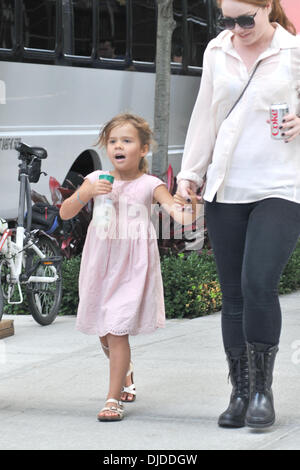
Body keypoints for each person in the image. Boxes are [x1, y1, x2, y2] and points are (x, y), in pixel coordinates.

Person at [176, 0, 300, 429]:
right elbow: (204, 116)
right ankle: (241, 391)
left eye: (245, 19)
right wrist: (190, 173)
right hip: (225, 188)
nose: (236, 28)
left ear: (268, 8)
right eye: (226, 20)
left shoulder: (293, 52)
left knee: (258, 283)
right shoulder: (216, 51)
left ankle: (264, 391)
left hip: (280, 186)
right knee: (233, 294)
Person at [59, 113, 199, 422]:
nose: (118, 146)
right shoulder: (95, 179)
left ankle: (112, 399)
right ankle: (126, 371)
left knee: (116, 329)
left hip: (132, 264)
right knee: (104, 332)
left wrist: (189, 204)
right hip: (99, 263)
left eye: (126, 140)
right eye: (112, 141)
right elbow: (67, 213)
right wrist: (85, 193)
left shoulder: (150, 184)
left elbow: (181, 216)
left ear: (144, 149)